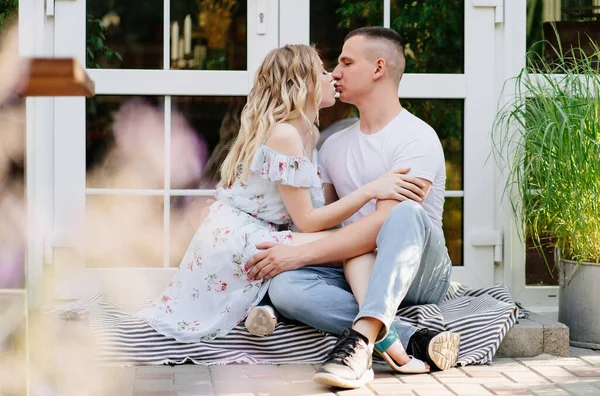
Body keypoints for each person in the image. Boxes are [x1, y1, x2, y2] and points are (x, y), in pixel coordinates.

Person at [135, 44, 412, 342]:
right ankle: (389, 334)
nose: (331, 76)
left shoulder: (307, 132)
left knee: (350, 242)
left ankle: (373, 327)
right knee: (355, 242)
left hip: (254, 231)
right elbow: (307, 221)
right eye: (321, 71)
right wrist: (372, 190)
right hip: (241, 239)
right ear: (304, 83)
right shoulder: (285, 135)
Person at [244, 27, 459, 388]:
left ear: (378, 68)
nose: (335, 73)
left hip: (418, 270)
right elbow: (327, 224)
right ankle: (408, 336)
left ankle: (359, 342)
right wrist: (292, 253)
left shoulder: (415, 137)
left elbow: (383, 224)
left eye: (346, 62)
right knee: (286, 289)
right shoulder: (333, 146)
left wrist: (298, 254)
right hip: (354, 264)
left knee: (403, 213)